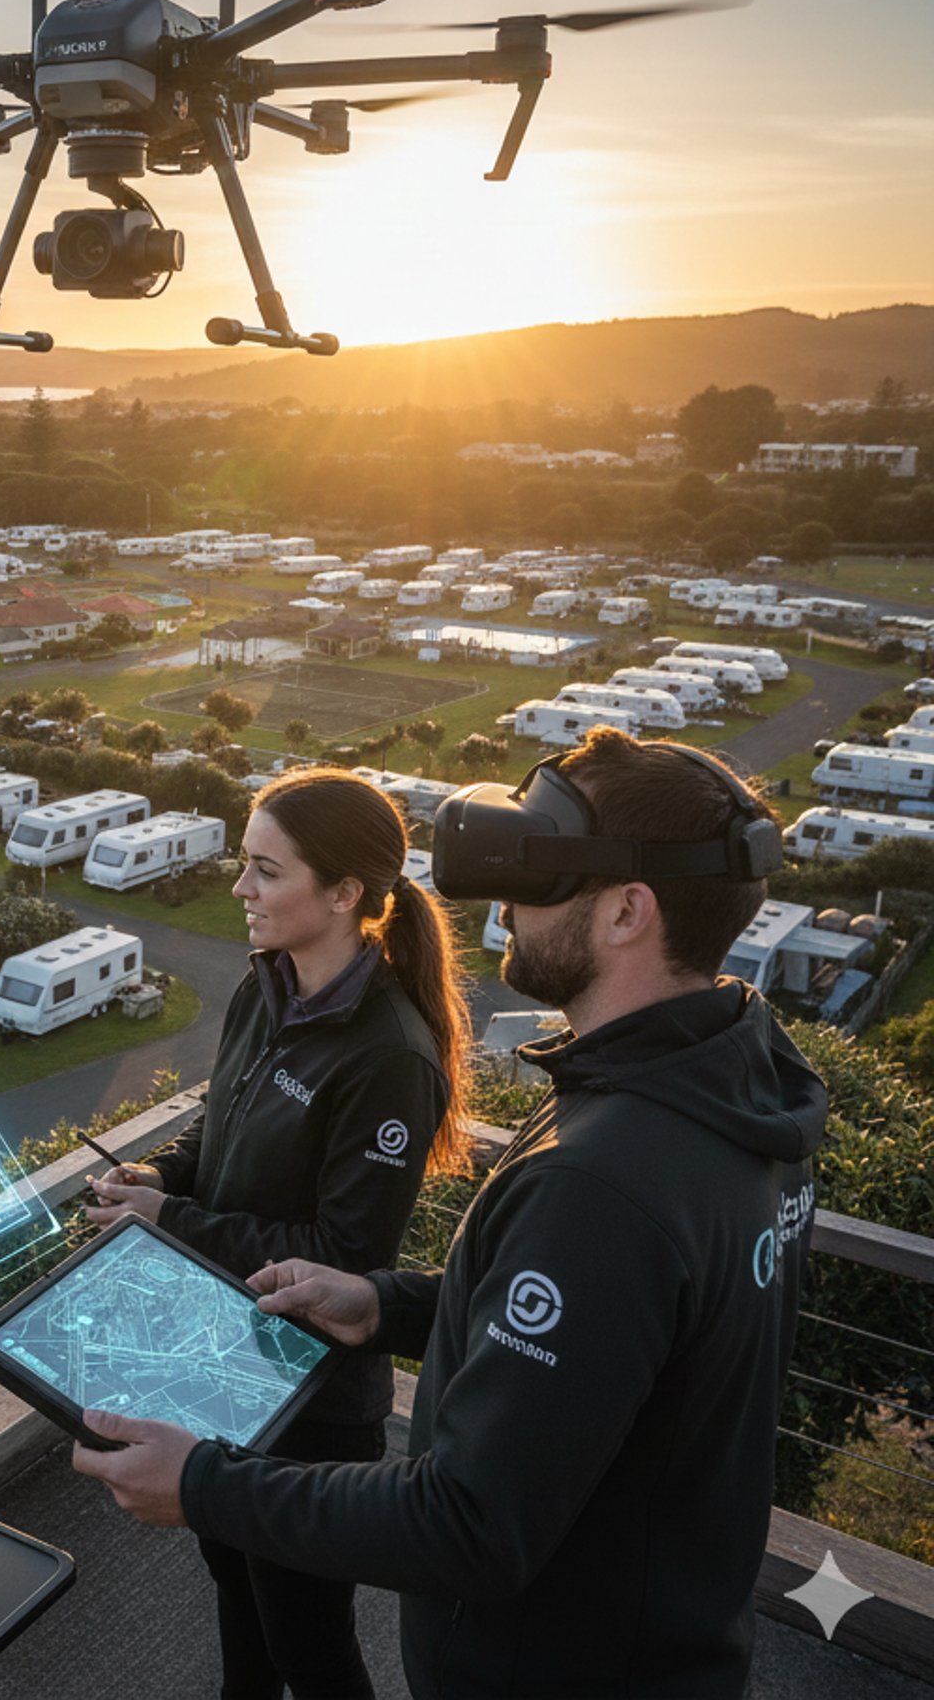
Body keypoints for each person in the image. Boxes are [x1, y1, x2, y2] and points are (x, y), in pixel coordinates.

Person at [74, 728, 827, 1699]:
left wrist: (202, 1485)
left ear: (627, 911)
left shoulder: (604, 1179)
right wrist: (382, 1305)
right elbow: (610, 1332)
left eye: (538, 876)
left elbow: (469, 1523)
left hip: (554, 1669)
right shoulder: (724, 1093)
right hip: (659, 1641)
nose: (506, 906)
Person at [85, 766, 471, 1699]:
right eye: (243, 863)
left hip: (312, 1403)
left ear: (343, 893)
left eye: (265, 870)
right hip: (219, 1358)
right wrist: (161, 1175)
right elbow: (217, 1123)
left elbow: (342, 1259)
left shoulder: (391, 1056)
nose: (240, 888)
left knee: (309, 1642)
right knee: (233, 1583)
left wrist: (173, 1220)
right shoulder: (265, 988)